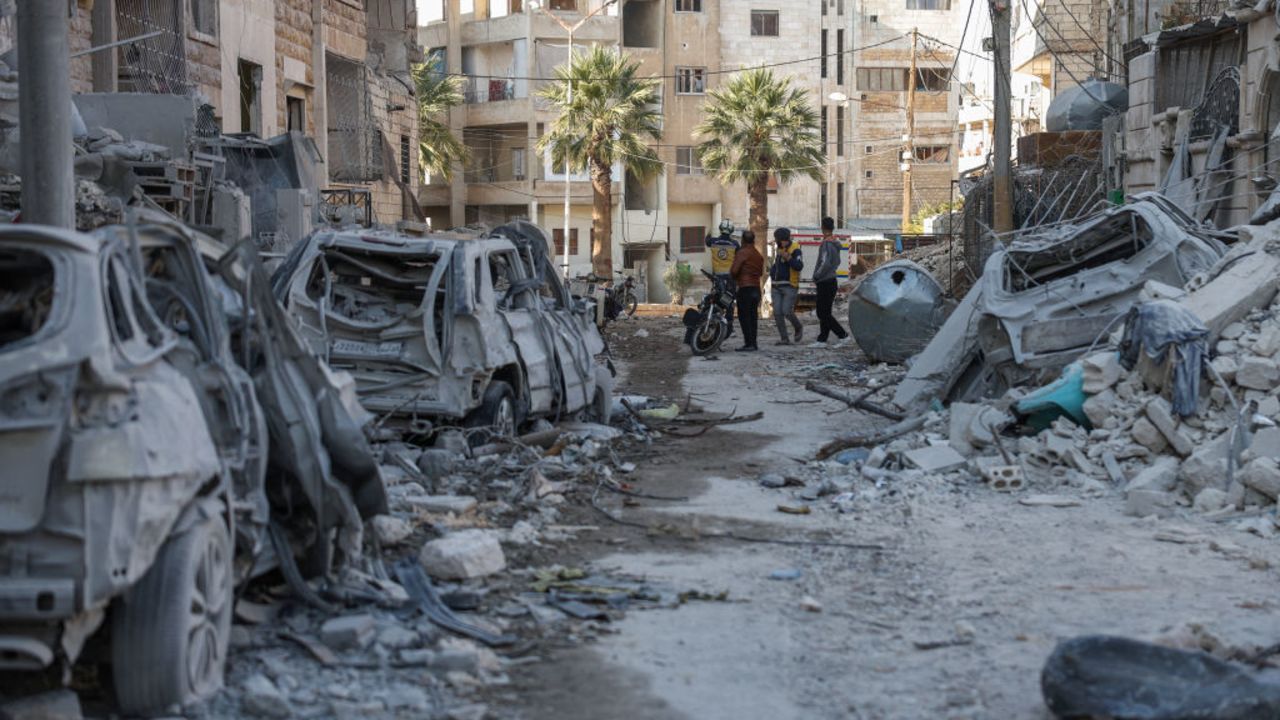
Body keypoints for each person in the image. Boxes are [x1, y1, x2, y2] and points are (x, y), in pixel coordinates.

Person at [811, 216, 850, 348]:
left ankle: (843, 335)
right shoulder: (835, 243)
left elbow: (824, 262)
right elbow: (836, 262)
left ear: (822, 228)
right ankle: (822, 339)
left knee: (822, 313)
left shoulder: (827, 244)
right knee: (825, 311)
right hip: (831, 280)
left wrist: (817, 275)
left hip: (825, 281)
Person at [769, 228, 804, 345]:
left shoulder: (795, 249)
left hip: (789, 285)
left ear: (783, 240)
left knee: (786, 311)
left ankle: (798, 327)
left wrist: (788, 257)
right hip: (776, 286)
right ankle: (784, 338)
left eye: (777, 240)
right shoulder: (779, 249)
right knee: (777, 313)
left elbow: (799, 266)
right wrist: (772, 272)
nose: (776, 241)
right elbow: (777, 265)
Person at [730, 230, 763, 351]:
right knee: (753, 317)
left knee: (744, 316)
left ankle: (748, 343)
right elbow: (760, 272)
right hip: (756, 288)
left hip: (745, 287)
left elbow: (734, 271)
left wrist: (735, 278)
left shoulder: (742, 252)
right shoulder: (757, 254)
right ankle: (753, 343)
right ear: (753, 240)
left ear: (743, 240)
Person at [706, 219, 738, 334]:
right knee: (728, 302)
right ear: (732, 231)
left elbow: (707, 240)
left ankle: (711, 321)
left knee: (714, 299)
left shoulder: (713, 242)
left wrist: (709, 231)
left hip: (717, 279)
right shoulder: (735, 244)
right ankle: (729, 327)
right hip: (730, 280)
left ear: (720, 229)